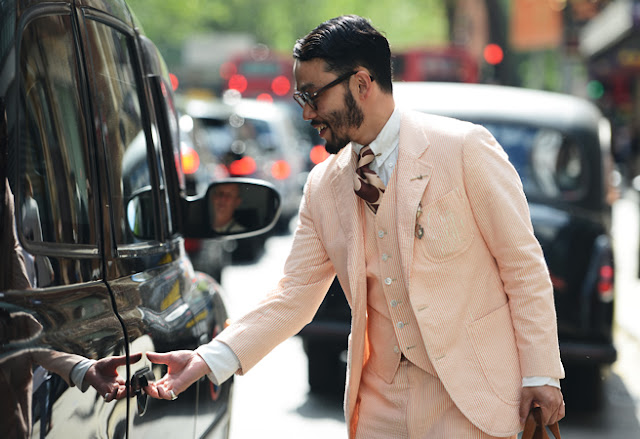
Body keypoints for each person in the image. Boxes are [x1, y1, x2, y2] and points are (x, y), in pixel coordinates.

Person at [144, 15, 565, 438]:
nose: (307, 112)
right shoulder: (323, 185)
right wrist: (208, 359)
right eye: (299, 97)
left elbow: (523, 268)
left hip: (470, 400)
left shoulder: (463, 149)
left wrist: (540, 374)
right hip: (380, 407)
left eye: (313, 95)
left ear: (362, 83)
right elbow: (293, 295)